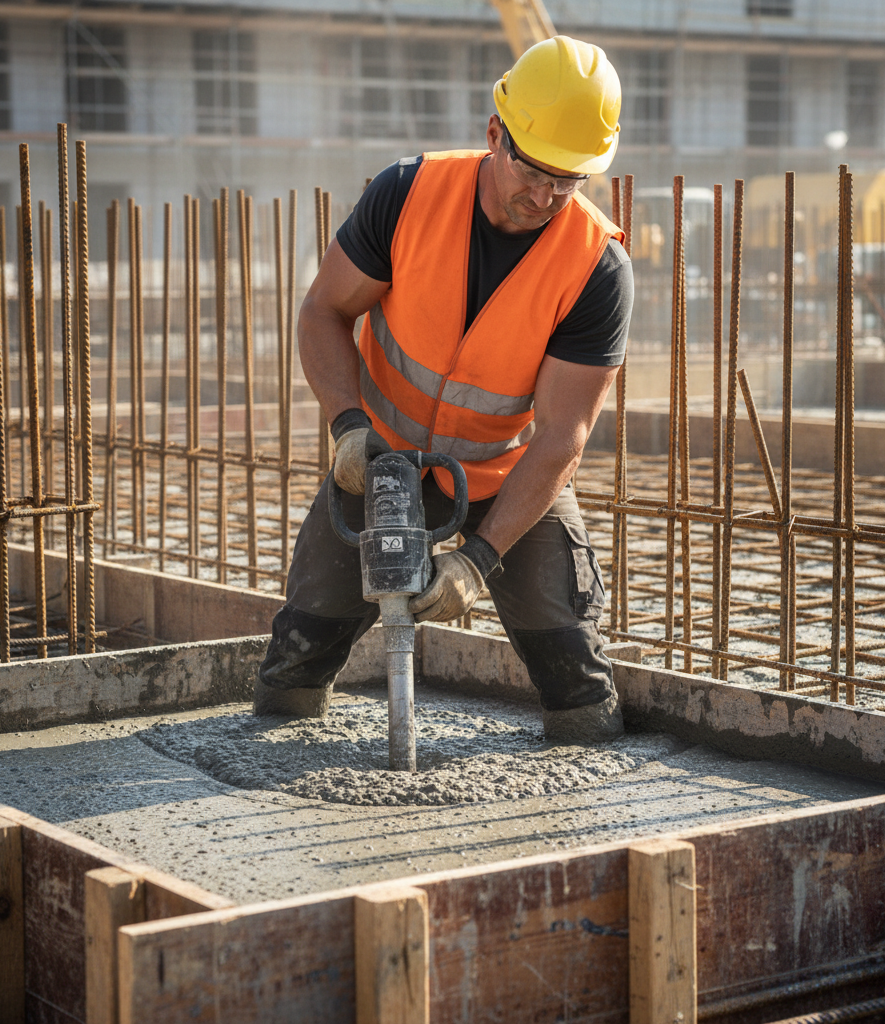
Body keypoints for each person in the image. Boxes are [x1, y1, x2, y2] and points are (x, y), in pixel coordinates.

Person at [256, 35, 634, 743]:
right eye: (534, 169)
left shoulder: (596, 267)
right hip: (381, 459)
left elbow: (562, 436)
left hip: (505, 472)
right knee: (300, 650)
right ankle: (268, 753)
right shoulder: (407, 194)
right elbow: (324, 311)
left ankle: (584, 769)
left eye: (569, 180)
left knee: (575, 674)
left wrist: (477, 560)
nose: (546, 196)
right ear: (495, 133)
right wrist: (347, 426)